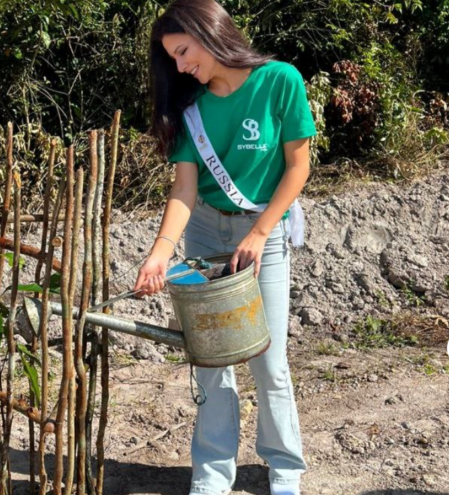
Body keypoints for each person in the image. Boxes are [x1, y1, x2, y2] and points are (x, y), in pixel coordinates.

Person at [133, 1, 317, 494]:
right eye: (171, 57)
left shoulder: (280, 80)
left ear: (208, 33)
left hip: (264, 231)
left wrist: (259, 233)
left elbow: (298, 168)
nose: (179, 66)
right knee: (210, 360)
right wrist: (160, 251)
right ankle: (212, 473)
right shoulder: (190, 108)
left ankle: (285, 467)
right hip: (203, 235)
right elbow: (185, 189)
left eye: (183, 51)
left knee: (268, 357)